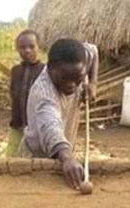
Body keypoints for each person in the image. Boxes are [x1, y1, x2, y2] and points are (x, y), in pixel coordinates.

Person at [22, 38, 99, 189]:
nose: (71, 84)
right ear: (49, 68)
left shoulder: (81, 59)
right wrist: (67, 159)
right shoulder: (44, 94)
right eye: (64, 78)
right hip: (36, 163)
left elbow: (93, 51)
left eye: (77, 78)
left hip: (64, 154)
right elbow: (51, 127)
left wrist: (93, 83)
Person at [5, 30, 45, 157]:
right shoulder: (15, 71)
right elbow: (13, 94)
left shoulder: (45, 71)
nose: (27, 51)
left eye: (31, 47)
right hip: (17, 125)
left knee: (36, 160)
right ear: (17, 49)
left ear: (39, 47)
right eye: (22, 47)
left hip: (37, 128)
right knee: (11, 158)